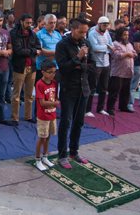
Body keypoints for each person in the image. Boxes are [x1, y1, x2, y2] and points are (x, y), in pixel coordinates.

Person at [55, 19, 90, 169]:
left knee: (79, 122)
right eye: (81, 31)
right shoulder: (62, 45)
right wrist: (78, 58)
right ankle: (62, 155)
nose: (83, 35)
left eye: (85, 32)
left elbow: (91, 64)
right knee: (66, 121)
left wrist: (79, 64)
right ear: (73, 29)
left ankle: (74, 151)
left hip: (83, 87)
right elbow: (63, 68)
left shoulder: (85, 43)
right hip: (68, 88)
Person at [10, 13, 41, 123]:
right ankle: (15, 117)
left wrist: (32, 51)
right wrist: (33, 51)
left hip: (31, 66)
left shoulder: (32, 34)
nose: (29, 25)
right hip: (19, 66)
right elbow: (18, 51)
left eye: (30, 23)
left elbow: (39, 47)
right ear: (21, 21)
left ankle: (28, 116)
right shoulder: (14, 33)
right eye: (27, 22)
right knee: (16, 94)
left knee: (29, 94)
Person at [34, 60, 59, 171]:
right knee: (41, 138)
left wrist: (55, 102)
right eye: (49, 72)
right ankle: (37, 159)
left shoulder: (54, 83)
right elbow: (42, 103)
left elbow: (55, 96)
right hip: (43, 116)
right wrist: (54, 103)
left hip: (52, 114)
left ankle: (45, 156)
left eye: (54, 72)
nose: (52, 74)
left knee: (48, 137)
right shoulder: (39, 84)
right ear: (43, 72)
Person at [86, 16, 113, 117]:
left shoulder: (107, 33)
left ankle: (100, 108)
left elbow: (111, 45)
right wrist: (107, 48)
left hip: (106, 63)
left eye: (107, 25)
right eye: (104, 25)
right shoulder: (92, 33)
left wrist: (107, 48)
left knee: (104, 88)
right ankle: (87, 109)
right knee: (92, 87)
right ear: (99, 24)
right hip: (96, 63)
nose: (105, 27)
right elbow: (95, 48)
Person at [106, 27, 137, 115]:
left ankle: (123, 106)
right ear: (120, 35)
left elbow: (134, 52)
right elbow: (115, 55)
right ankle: (110, 108)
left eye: (127, 35)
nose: (126, 36)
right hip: (118, 72)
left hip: (128, 71)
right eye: (124, 35)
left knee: (125, 91)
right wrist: (127, 54)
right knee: (114, 92)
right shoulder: (115, 44)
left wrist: (133, 54)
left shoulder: (129, 44)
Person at [35, 14, 62, 85]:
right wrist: (56, 53)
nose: (53, 25)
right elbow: (41, 50)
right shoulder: (39, 34)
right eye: (51, 23)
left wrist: (52, 53)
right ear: (45, 23)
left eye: (54, 22)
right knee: (42, 90)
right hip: (43, 67)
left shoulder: (58, 35)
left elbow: (62, 49)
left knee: (54, 90)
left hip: (55, 67)